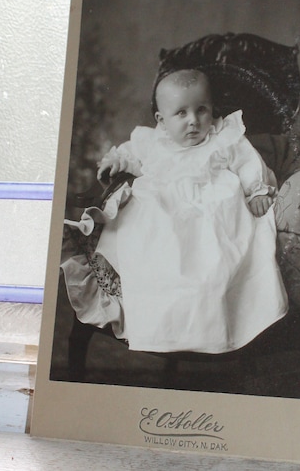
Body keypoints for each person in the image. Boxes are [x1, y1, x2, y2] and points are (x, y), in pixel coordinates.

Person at [64, 69, 288, 354]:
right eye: (181, 113)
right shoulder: (153, 142)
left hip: (215, 216)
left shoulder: (224, 138)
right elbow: (127, 153)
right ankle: (164, 329)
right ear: (162, 120)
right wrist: (116, 163)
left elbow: (248, 163)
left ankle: (214, 329)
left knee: (214, 265)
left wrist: (257, 190)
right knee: (154, 258)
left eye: (201, 110)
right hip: (161, 216)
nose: (194, 120)